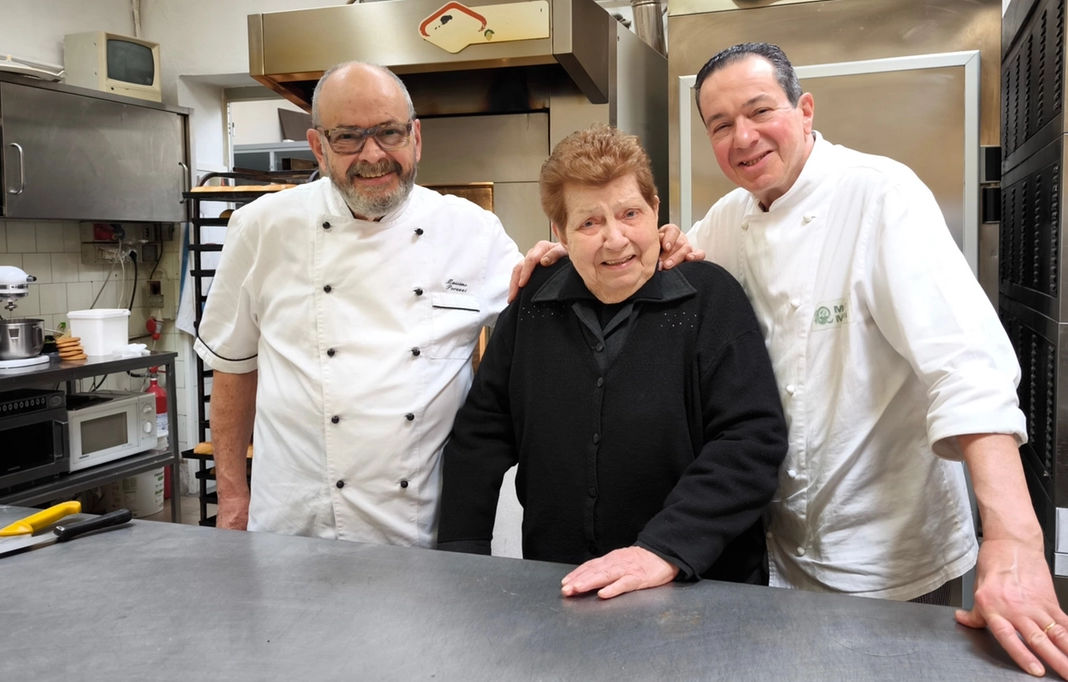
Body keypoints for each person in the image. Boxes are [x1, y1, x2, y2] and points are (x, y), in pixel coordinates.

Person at [512, 44, 1068, 682]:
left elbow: (964, 367)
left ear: (804, 109)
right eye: (719, 125)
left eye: (759, 110)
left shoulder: (881, 194)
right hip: (781, 549)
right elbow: (641, 255)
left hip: (888, 556)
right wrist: (565, 256)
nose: (743, 137)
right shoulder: (730, 221)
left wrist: (1013, 538)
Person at [197, 62, 698, 545]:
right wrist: (233, 500)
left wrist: (646, 249)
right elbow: (233, 368)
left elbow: (558, 300)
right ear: (318, 147)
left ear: (415, 138)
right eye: (348, 136)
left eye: (389, 133)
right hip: (297, 523)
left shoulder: (471, 230)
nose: (373, 154)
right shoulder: (260, 228)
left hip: (421, 526)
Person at [438, 125, 788, 599]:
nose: (616, 239)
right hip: (565, 586)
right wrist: (462, 559)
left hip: (700, 587)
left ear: (656, 210)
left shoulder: (711, 299)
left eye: (630, 213)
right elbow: (480, 434)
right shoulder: (534, 303)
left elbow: (750, 441)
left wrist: (662, 550)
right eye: (589, 223)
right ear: (558, 232)